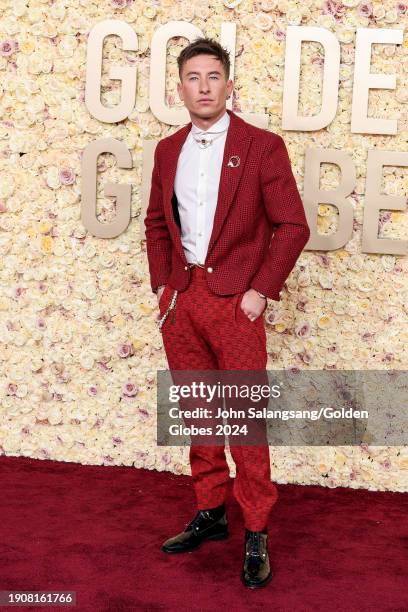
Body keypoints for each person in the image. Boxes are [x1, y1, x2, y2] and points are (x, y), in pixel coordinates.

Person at [144, 36, 310, 589]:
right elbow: (154, 223)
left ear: (229, 83)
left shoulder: (261, 146)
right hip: (184, 301)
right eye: (194, 77)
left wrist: (261, 290)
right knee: (199, 412)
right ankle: (211, 512)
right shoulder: (168, 150)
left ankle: (256, 529)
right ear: (180, 88)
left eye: (213, 76)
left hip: (237, 304)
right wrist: (164, 287)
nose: (204, 87)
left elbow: (293, 224)